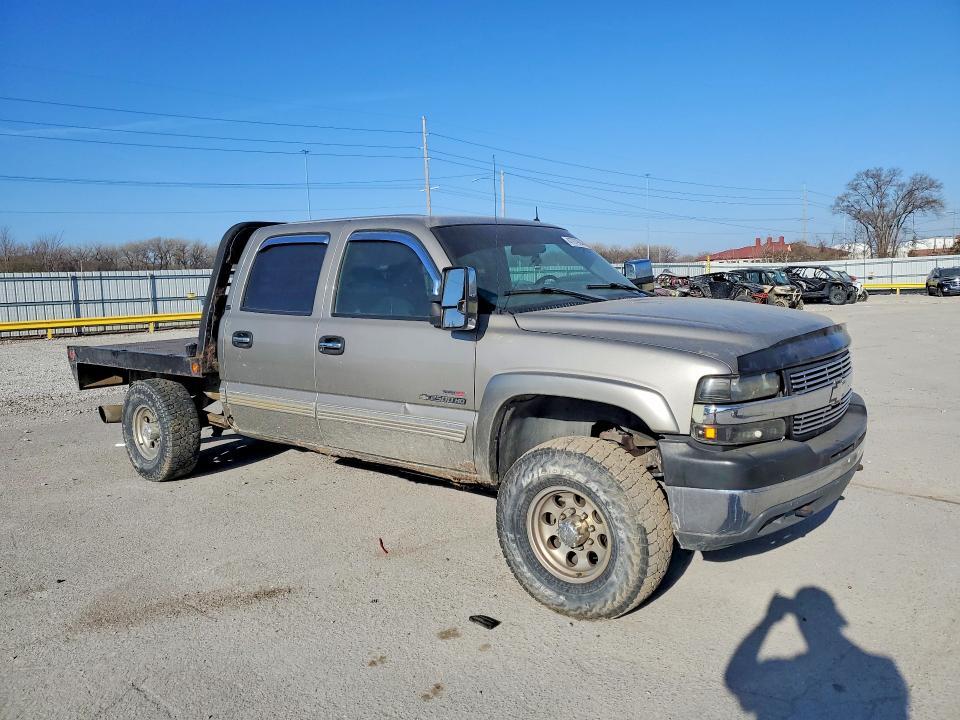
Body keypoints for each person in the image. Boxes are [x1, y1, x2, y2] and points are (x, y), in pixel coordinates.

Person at [725, 587, 908, 719]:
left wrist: (769, 620)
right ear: (837, 617)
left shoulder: (787, 668)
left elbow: (733, 678)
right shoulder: (883, 667)